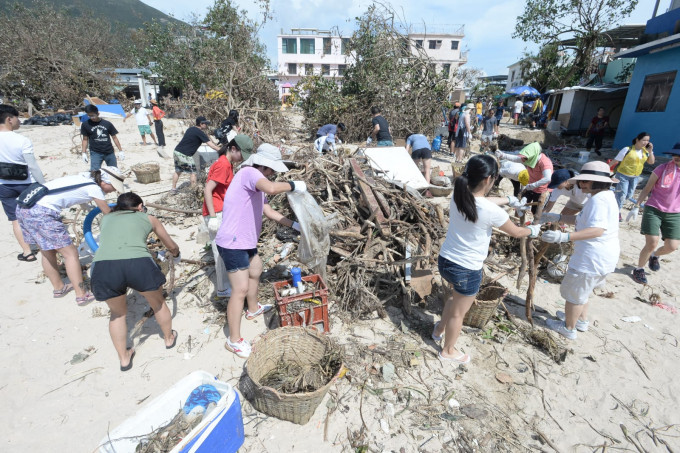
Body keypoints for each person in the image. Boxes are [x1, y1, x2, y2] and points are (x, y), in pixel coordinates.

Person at [434, 154, 538, 363]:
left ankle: (438, 330)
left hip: (446, 261)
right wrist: (533, 230)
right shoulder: (492, 212)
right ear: (488, 179)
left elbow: (482, 200)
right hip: (467, 269)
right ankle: (448, 351)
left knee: (455, 299)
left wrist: (508, 200)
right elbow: (517, 232)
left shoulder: (458, 195)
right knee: (459, 313)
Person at [215, 144, 306, 358]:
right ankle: (234, 340)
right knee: (239, 290)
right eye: (272, 169)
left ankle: (253, 308)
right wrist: (294, 185)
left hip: (245, 241)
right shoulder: (249, 172)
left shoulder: (255, 181)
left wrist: (293, 224)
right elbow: (273, 188)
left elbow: (267, 209)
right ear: (264, 165)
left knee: (256, 270)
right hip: (233, 242)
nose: (273, 173)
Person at [90, 192, 179, 371]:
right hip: (138, 263)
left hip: (103, 266)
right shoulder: (149, 218)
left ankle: (124, 358)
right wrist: (176, 253)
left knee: (117, 314)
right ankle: (169, 338)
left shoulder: (106, 219)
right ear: (140, 206)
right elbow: (169, 244)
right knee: (158, 304)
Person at [16, 164, 125, 305]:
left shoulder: (82, 177)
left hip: (24, 207)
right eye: (114, 187)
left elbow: (76, 195)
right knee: (70, 254)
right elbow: (108, 215)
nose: (113, 191)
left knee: (47, 251)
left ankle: (59, 288)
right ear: (105, 182)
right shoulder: (95, 188)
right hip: (42, 213)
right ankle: (82, 295)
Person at [539, 161, 619, 340]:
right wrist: (559, 217)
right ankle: (581, 320)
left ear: (596, 182)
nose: (581, 184)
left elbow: (597, 230)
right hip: (603, 256)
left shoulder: (599, 200)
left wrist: (564, 237)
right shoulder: (602, 197)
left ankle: (569, 327)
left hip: (592, 257)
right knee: (583, 291)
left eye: (585, 182)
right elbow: (583, 221)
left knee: (574, 294)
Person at [203, 134, 253, 298]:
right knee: (220, 251)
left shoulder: (227, 163)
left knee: (225, 248)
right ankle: (223, 288)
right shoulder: (224, 165)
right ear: (233, 148)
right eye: (241, 154)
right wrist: (212, 217)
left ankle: (227, 284)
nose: (241, 159)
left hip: (220, 210)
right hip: (216, 211)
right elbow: (208, 189)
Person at [629, 142, 680, 285]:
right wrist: (636, 205)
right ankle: (639, 269)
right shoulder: (662, 169)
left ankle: (655, 256)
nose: (676, 157)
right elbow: (647, 188)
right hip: (654, 209)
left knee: (672, 246)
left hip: (675, 213)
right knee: (652, 242)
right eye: (675, 154)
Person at [0, 104, 45, 262]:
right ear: (9, 119)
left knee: (15, 219)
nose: (19, 121)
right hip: (26, 184)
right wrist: (43, 184)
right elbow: (32, 166)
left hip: (4, 185)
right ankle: (43, 246)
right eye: (17, 118)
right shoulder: (22, 140)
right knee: (34, 215)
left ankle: (27, 252)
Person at [496, 142, 553, 214]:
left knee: (536, 211)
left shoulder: (545, 163)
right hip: (530, 187)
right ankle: (519, 223)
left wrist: (533, 185)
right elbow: (517, 159)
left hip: (542, 190)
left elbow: (548, 178)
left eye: (526, 157)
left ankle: (535, 224)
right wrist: (503, 155)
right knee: (520, 205)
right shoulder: (529, 158)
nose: (524, 159)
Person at [611, 132, 654, 219]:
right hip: (623, 175)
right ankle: (616, 213)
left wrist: (650, 151)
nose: (646, 142)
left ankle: (613, 198)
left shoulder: (646, 151)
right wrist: (604, 168)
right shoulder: (627, 149)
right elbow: (615, 160)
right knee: (622, 195)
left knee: (629, 195)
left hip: (635, 177)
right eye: (644, 140)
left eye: (648, 140)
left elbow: (651, 162)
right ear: (638, 140)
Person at [172, 116, 221, 191]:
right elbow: (212, 145)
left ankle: (173, 189)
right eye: (205, 124)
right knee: (193, 173)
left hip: (177, 151)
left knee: (178, 171)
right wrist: (222, 150)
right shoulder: (200, 133)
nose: (206, 125)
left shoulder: (190, 129)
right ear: (201, 124)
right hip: (185, 154)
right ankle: (194, 190)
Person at [80, 105, 124, 170]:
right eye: (89, 116)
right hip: (95, 152)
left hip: (109, 152)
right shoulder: (85, 125)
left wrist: (120, 151)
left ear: (98, 113)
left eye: (93, 115)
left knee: (114, 171)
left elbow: (114, 137)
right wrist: (84, 153)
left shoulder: (107, 124)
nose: (92, 118)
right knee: (95, 172)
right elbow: (85, 139)